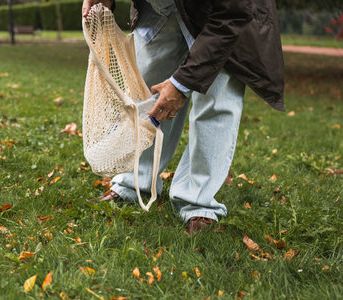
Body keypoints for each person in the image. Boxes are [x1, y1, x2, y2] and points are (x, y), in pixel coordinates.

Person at [82, 0, 284, 234]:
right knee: (147, 88)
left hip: (222, 15)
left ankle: (198, 202)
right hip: (161, 8)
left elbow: (232, 14)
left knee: (215, 95)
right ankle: (135, 181)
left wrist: (181, 84)